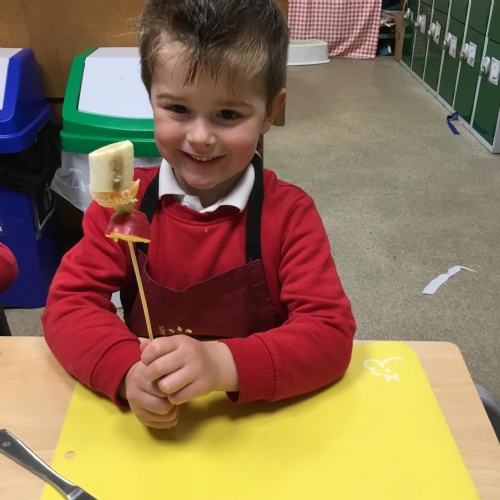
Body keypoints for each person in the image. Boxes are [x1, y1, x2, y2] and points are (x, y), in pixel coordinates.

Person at [42, 0, 356, 429]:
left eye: (228, 114)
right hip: (157, 423)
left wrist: (221, 364)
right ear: (150, 97)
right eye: (178, 109)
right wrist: (127, 370)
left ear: (270, 111)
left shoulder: (290, 215)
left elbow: (329, 333)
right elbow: (68, 305)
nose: (201, 136)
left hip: (258, 423)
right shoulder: (120, 207)